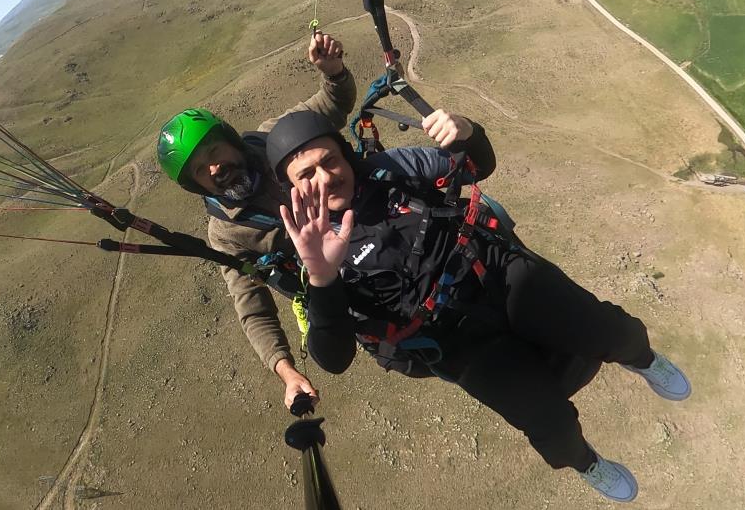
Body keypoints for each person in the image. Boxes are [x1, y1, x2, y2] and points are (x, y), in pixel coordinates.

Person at [266, 108, 691, 503]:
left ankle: (642, 358)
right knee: (547, 422)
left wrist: (468, 133)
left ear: (345, 155)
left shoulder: (392, 169)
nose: (325, 177)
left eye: (330, 161)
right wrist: (322, 277)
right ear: (292, 189)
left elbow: (476, 166)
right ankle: (585, 462)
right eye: (307, 174)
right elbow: (334, 358)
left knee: (607, 329)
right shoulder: (309, 250)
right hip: (451, 338)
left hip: (496, 272)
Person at [157, 31, 356, 409]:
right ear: (195, 185)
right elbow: (252, 306)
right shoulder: (226, 233)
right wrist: (287, 371)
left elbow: (332, 105)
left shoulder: (273, 139)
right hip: (335, 278)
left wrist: (333, 72)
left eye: (213, 152)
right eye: (200, 170)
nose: (215, 168)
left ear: (230, 140)